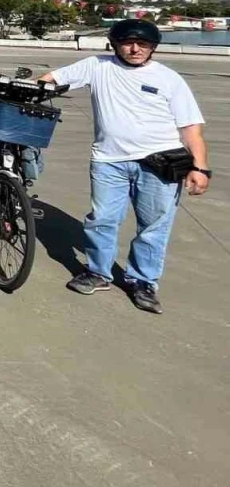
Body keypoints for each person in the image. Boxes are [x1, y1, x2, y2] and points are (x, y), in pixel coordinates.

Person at [39, 19, 209, 314]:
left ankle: (143, 281)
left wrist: (200, 168)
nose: (135, 49)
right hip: (109, 161)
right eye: (127, 43)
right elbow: (52, 78)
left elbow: (191, 128)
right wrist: (32, 87)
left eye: (143, 44)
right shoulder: (97, 66)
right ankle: (98, 272)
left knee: (154, 226)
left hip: (159, 162)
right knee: (101, 219)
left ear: (153, 47)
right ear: (114, 45)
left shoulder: (169, 79)